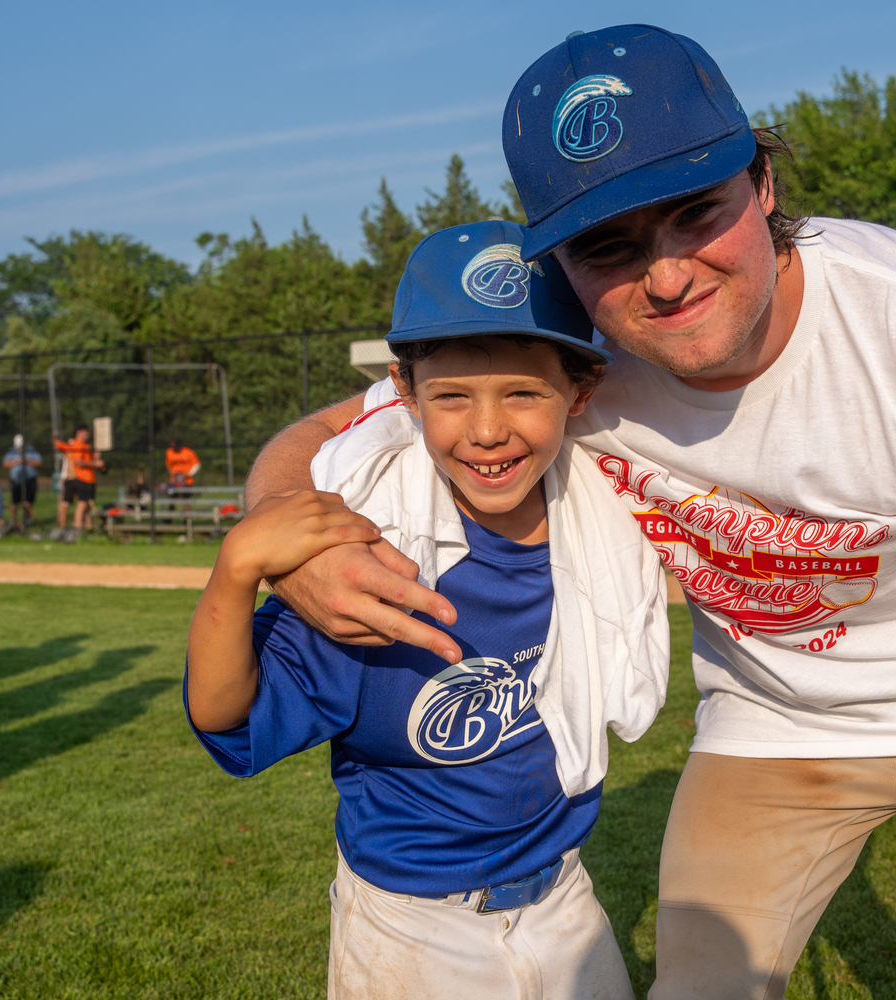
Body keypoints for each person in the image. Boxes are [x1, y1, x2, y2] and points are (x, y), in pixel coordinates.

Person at [243, 26, 896, 999]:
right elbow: (328, 433)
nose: (669, 274)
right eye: (608, 245)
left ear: (763, 185)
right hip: (774, 721)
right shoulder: (569, 369)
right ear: (560, 266)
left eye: (695, 212)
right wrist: (290, 539)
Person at [185, 220, 668, 1000]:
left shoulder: (604, 522)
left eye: (521, 392)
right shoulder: (375, 556)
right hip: (409, 927)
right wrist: (236, 570)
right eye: (452, 396)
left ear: (580, 392)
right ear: (403, 396)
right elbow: (223, 714)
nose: (487, 429)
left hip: (566, 903)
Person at [54, 425, 103, 530]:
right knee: (75, 503)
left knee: (85, 505)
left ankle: (87, 528)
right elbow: (78, 462)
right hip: (76, 478)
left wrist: (97, 457)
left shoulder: (85, 446)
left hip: (83, 478)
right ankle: (74, 527)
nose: (87, 434)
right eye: (84, 432)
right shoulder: (76, 445)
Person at [3, 434, 42, 528]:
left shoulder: (31, 450)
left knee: (29, 500)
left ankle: (27, 519)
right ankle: (13, 520)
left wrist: (27, 460)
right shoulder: (11, 451)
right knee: (15, 501)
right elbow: (5, 463)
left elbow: (39, 462)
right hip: (16, 480)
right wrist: (17, 461)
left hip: (30, 479)